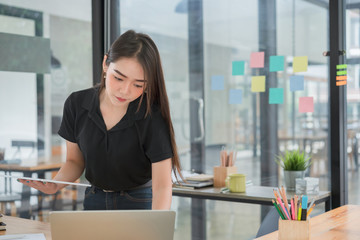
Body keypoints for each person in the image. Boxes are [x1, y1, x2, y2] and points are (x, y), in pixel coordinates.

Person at [19, 30, 182, 210]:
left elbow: (162, 186)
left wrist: (156, 229)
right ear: (105, 64)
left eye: (138, 84)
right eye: (118, 78)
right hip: (94, 199)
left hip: (139, 202)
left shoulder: (152, 115)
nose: (125, 90)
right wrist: (56, 184)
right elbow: (75, 161)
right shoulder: (76, 104)